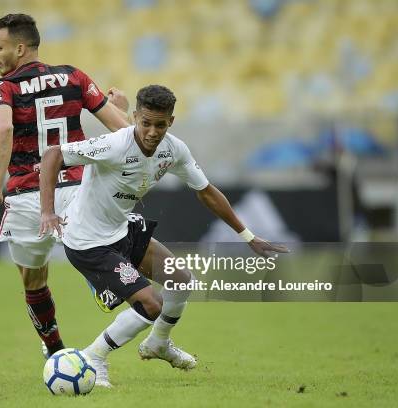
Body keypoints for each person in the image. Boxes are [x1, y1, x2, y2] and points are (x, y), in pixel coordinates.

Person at [39, 84, 289, 387]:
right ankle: (94, 357)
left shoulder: (174, 150)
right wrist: (48, 211)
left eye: (160, 124)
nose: (153, 131)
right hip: (88, 241)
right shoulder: (114, 146)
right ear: (135, 118)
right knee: (151, 305)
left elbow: (207, 192)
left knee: (182, 280)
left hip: (122, 230)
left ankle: (158, 343)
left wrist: (248, 236)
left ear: (170, 121)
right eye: (146, 123)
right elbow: (53, 156)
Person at [0, 13, 131, 358]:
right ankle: (100, 281)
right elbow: (122, 132)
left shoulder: (4, 87)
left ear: (19, 49)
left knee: (33, 281)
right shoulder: (72, 76)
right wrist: (127, 111)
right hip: (78, 188)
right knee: (96, 248)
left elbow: (3, 129)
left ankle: (55, 350)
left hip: (28, 193)